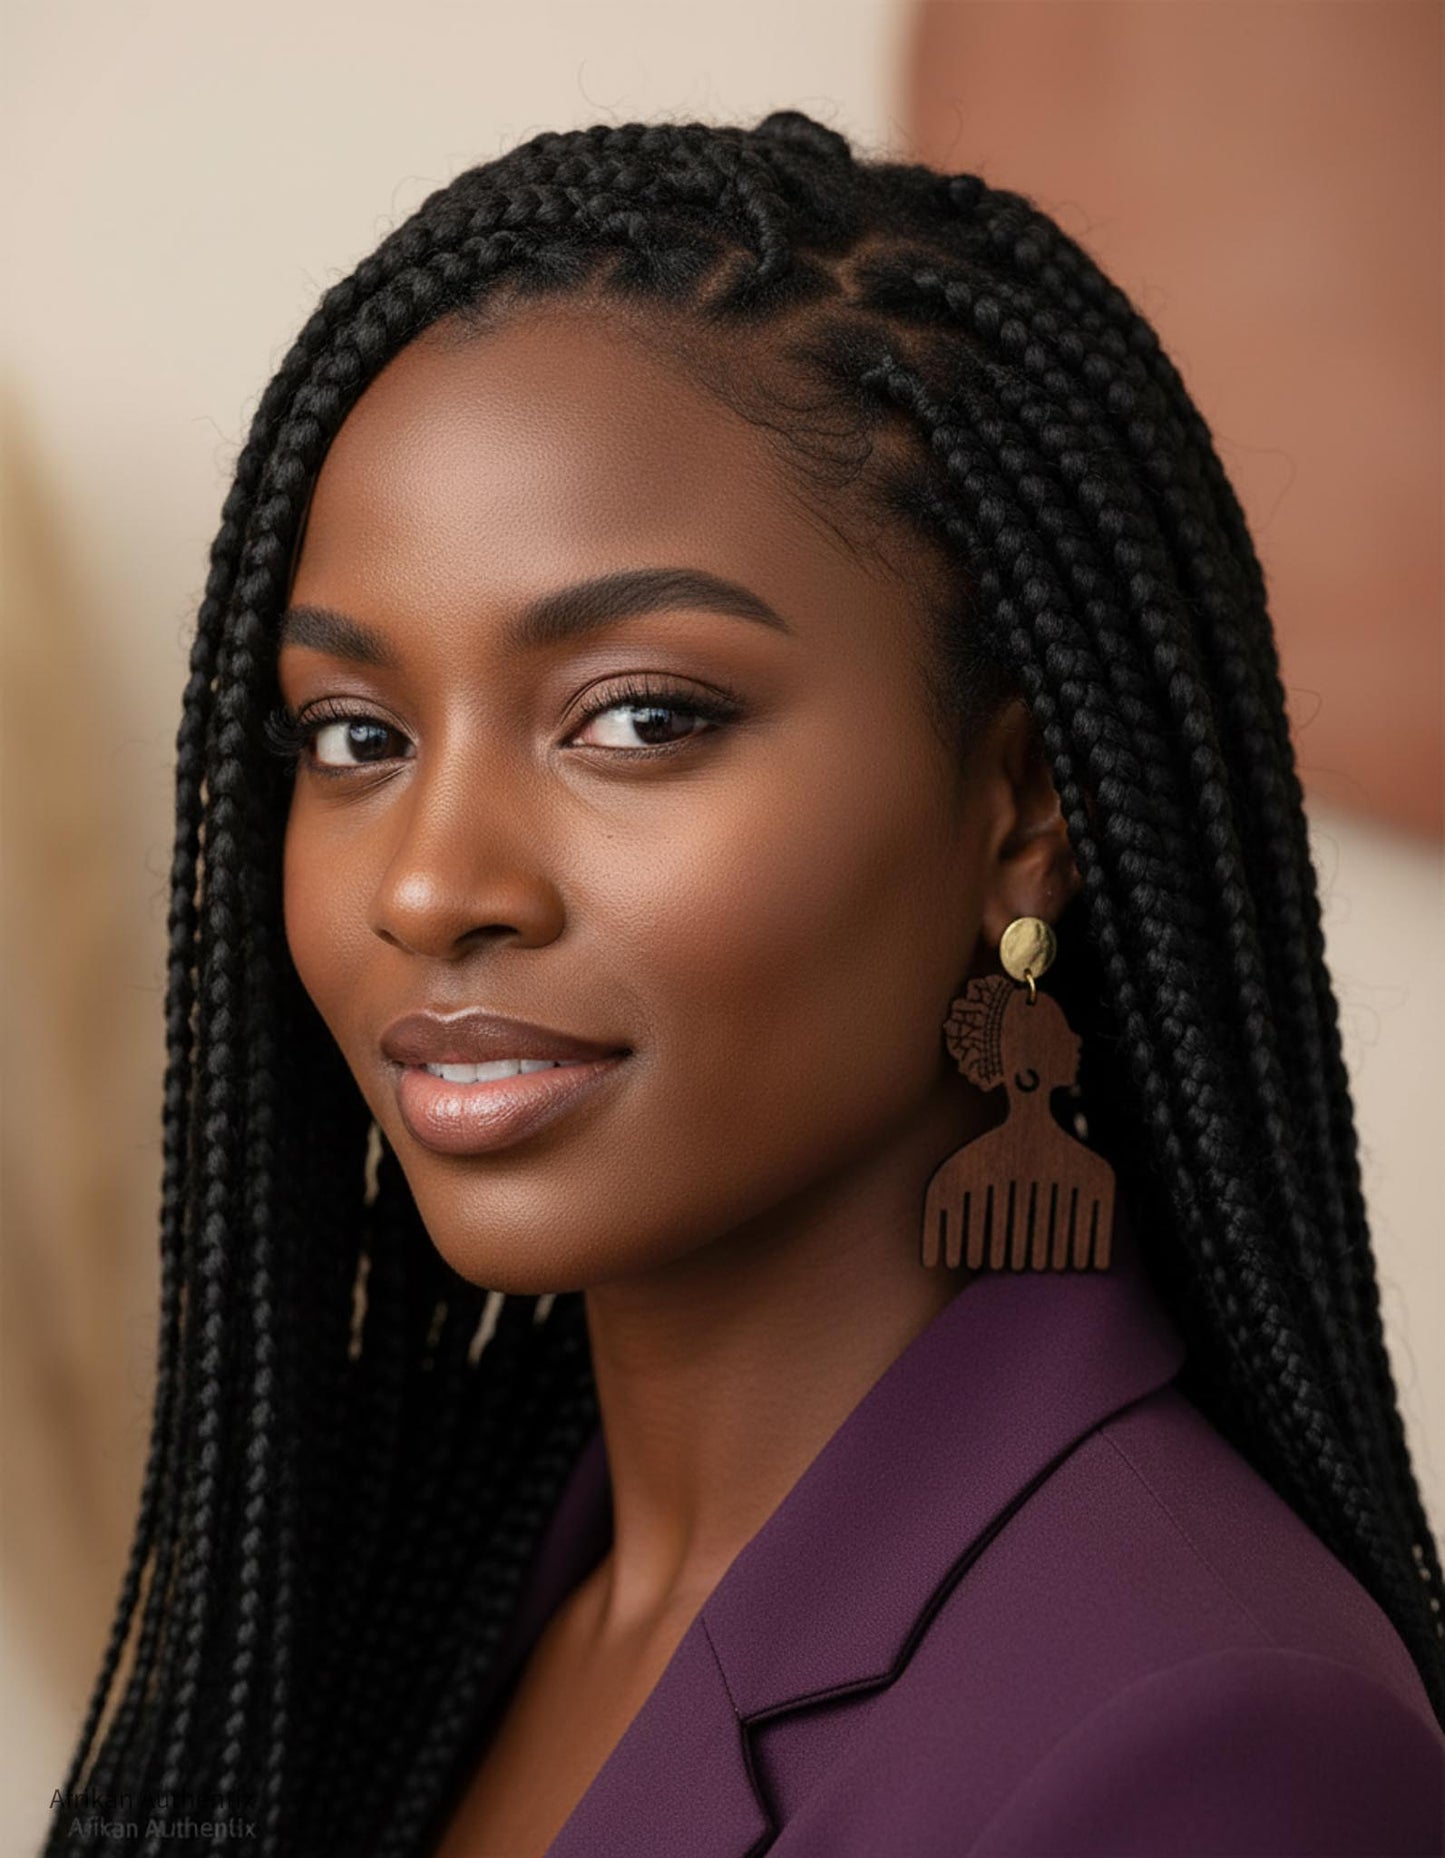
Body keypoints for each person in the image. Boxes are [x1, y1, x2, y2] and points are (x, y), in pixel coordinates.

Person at [47, 110, 1445, 1858]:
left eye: (640, 717)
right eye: (356, 734)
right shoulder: (429, 1573)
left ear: (1020, 809)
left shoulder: (1207, 1741)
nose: (428, 883)